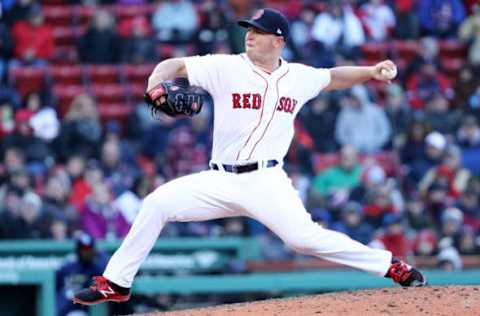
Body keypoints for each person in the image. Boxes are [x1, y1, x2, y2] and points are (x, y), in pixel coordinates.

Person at [73, 8, 426, 305]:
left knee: (303, 239)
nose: (250, 36)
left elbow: (332, 77)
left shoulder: (298, 77)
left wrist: (369, 72)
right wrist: (153, 86)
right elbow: (172, 65)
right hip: (220, 178)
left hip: (266, 181)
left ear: (279, 40)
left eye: (258, 31)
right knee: (156, 204)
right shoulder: (225, 66)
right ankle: (116, 283)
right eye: (248, 30)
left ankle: (391, 266)